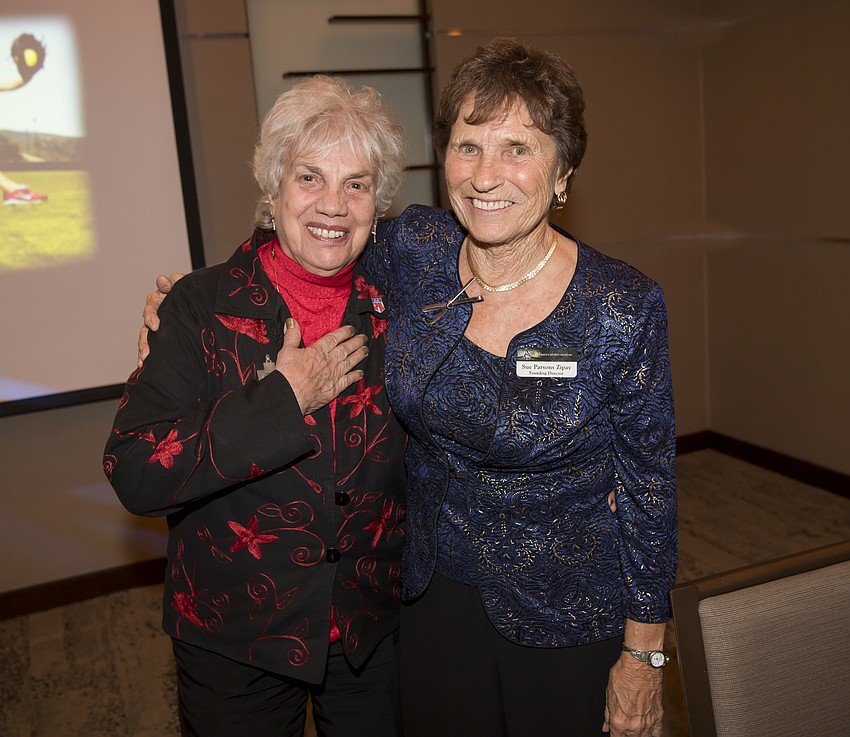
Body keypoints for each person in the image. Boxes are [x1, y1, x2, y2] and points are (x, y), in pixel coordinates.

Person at [141, 39, 677, 737]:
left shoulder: (621, 306)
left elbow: (650, 493)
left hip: (566, 607)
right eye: (467, 146)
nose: (486, 175)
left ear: (563, 172)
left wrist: (646, 654)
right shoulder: (415, 250)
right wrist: (189, 308)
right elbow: (314, 234)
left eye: (517, 148)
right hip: (427, 599)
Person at [104, 76, 408, 737]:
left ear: (377, 202)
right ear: (273, 188)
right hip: (236, 635)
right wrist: (283, 400)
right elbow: (134, 469)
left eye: (356, 184)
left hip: (370, 629)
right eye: (309, 177)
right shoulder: (199, 306)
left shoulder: (401, 303)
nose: (334, 204)